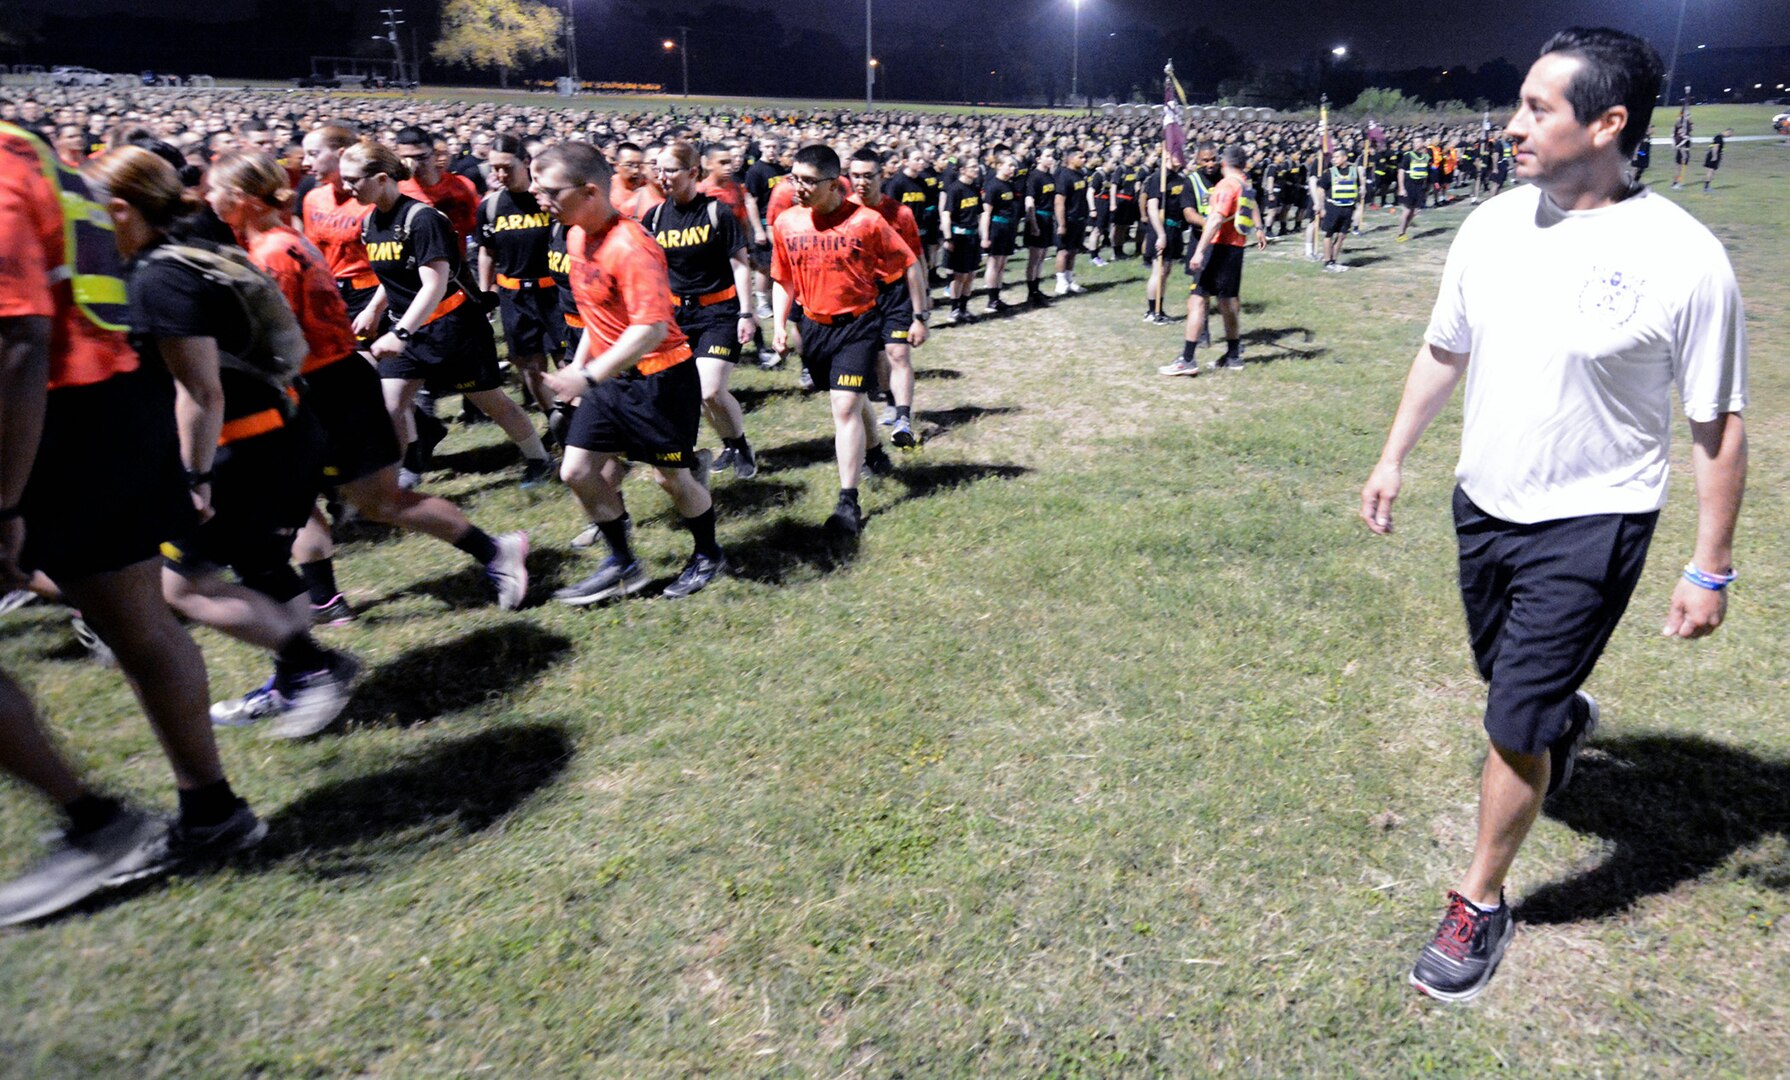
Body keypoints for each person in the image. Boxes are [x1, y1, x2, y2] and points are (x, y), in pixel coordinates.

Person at [1359, 28, 1747, 1004]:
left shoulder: (1681, 259)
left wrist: (1709, 565)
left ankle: (1477, 900)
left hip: (1592, 519)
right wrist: (1393, 456)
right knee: (1513, 686)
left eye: (1537, 107)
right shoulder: (1491, 224)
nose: (1511, 123)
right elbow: (1443, 348)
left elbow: (1715, 422)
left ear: (1606, 123)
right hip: (1483, 504)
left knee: (1508, 715)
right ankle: (1561, 716)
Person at [0, 122, 264, 925]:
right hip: (98, 408)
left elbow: (18, 341)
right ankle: (211, 808)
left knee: (144, 619)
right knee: (141, 621)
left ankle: (93, 822)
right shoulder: (29, 149)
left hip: (51, 421)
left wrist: (4, 503)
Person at [87, 147, 361, 739]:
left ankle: (317, 669)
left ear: (120, 210)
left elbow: (201, 391)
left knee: (177, 587)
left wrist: (194, 478)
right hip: (277, 436)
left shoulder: (158, 278)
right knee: (263, 566)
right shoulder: (188, 253)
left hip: (244, 451)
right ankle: (296, 683)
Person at [208, 150, 529, 626]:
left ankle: (495, 550)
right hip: (327, 383)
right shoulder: (284, 240)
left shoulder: (273, 254)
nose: (206, 197)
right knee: (300, 499)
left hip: (325, 388)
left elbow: (271, 335)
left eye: (214, 189)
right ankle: (325, 601)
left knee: (377, 502)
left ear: (241, 198)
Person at [530, 141, 727, 603]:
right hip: (609, 377)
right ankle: (623, 563)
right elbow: (596, 317)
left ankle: (709, 553)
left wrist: (590, 375)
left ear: (590, 191)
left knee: (670, 479)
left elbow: (653, 329)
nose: (543, 200)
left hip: (660, 379)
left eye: (551, 191)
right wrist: (579, 369)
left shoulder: (631, 246)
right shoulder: (577, 235)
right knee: (576, 470)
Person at [341, 140, 556, 489]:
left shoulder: (422, 219)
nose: (346, 187)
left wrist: (400, 333)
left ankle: (538, 458)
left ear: (381, 178)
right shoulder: (371, 223)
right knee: (389, 403)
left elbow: (434, 284)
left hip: (452, 331)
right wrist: (373, 308)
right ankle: (405, 472)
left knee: (492, 403)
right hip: (408, 329)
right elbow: (394, 275)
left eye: (353, 180)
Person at [770, 144, 920, 536]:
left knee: (845, 405)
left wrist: (918, 314)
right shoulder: (788, 222)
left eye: (807, 180)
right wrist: (779, 325)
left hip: (857, 326)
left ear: (834, 183)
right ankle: (874, 453)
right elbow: (782, 278)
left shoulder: (867, 222)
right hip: (814, 328)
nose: (798, 187)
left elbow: (907, 263)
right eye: (794, 178)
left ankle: (847, 502)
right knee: (849, 401)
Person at [646, 140, 760, 480]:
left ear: (693, 172)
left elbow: (740, 265)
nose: (662, 176)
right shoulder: (654, 217)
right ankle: (729, 441)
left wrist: (746, 313)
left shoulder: (716, 212)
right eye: (659, 169)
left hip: (719, 312)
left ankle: (740, 445)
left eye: (671, 170)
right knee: (696, 396)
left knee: (709, 389)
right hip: (677, 317)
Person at [846, 148, 930, 449]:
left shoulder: (900, 213)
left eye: (869, 175)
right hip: (860, 295)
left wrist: (922, 309)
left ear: (882, 176)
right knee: (878, 357)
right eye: (855, 175)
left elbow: (916, 261)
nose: (862, 181)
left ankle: (903, 419)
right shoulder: (841, 211)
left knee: (898, 354)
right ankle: (891, 400)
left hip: (895, 292)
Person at [474, 133, 559, 426]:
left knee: (566, 363)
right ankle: (556, 421)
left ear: (526, 162)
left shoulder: (549, 198)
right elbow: (487, 251)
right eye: (494, 167)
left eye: (507, 167)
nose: (500, 174)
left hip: (554, 294)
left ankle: (582, 422)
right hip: (513, 297)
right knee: (530, 368)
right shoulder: (491, 206)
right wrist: (486, 294)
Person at [1159, 145, 1264, 376]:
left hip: (1217, 248)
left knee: (1197, 300)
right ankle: (1234, 355)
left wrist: (1199, 251)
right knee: (1226, 303)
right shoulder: (1244, 184)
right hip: (1236, 248)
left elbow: (1216, 219)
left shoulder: (1226, 185)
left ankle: (1187, 359)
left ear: (1223, 163)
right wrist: (1259, 228)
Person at [939, 158, 984, 324]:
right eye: (972, 167)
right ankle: (954, 310)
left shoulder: (974, 188)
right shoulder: (955, 189)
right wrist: (948, 237)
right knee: (959, 275)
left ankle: (964, 308)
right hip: (959, 237)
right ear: (963, 170)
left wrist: (981, 235)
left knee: (971, 274)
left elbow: (979, 214)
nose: (976, 169)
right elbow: (946, 215)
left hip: (973, 236)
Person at [979, 153, 1021, 313]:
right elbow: (986, 213)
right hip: (996, 227)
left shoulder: (1010, 184)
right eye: (1009, 165)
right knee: (994, 263)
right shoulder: (993, 185)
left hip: (1008, 228)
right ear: (999, 166)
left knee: (1002, 264)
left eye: (1013, 166)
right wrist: (985, 236)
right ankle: (991, 300)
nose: (1013, 168)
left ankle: (997, 297)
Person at [1316, 146, 1362, 272]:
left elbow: (1357, 187)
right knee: (1329, 234)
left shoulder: (1354, 171)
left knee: (1342, 235)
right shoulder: (1329, 172)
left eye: (1337, 157)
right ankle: (1327, 262)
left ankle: (1334, 260)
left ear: (1345, 158)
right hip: (1333, 207)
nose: (1334, 160)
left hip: (1348, 207)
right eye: (1333, 157)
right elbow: (1320, 189)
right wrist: (1320, 206)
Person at [1022, 151, 1056, 305]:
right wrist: (1033, 224)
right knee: (1034, 257)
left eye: (1052, 156)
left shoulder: (1049, 176)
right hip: (1038, 217)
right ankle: (1031, 292)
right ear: (1038, 159)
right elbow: (1030, 201)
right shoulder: (1034, 176)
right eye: (1047, 156)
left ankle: (1037, 287)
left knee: (1042, 256)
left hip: (1048, 217)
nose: (1051, 159)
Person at [1395, 138, 1431, 242]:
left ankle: (1405, 230)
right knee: (1407, 210)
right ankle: (1400, 233)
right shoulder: (1408, 155)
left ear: (1423, 143)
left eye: (1418, 142)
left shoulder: (1427, 156)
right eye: (1414, 142)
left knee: (1415, 211)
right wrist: (1401, 188)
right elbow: (1401, 171)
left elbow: (1427, 172)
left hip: (1419, 186)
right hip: (1409, 185)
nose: (1415, 144)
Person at [1670, 107, 1693, 190]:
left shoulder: (1685, 123)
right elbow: (1678, 134)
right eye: (1688, 114)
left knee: (1680, 168)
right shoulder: (1683, 123)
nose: (1689, 115)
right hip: (1683, 150)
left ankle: (1676, 183)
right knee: (1680, 169)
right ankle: (1676, 183)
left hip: (1684, 149)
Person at [1701, 127, 1729, 193]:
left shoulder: (1719, 137)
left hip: (1713, 155)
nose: (1729, 136)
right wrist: (1714, 156)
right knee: (1711, 171)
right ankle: (1706, 187)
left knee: (1711, 171)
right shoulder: (1719, 137)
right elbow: (1715, 146)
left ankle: (1707, 186)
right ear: (1727, 131)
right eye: (1729, 134)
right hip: (1714, 155)